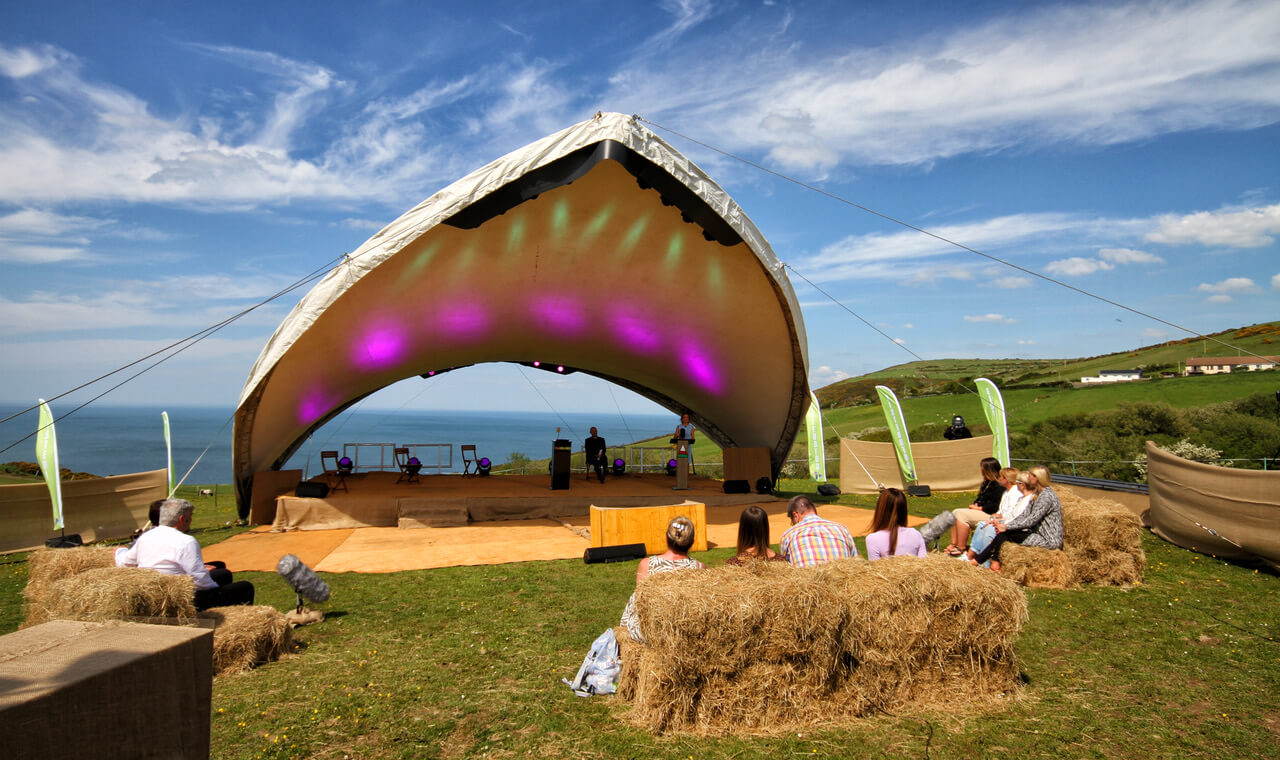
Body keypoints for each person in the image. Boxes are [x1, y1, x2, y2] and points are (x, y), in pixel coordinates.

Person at [115, 498, 254, 610]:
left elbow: (124, 562)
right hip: (180, 599)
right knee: (245, 587)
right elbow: (200, 580)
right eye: (191, 516)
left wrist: (119, 550)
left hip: (155, 593)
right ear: (182, 519)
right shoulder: (186, 541)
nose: (191, 520)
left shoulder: (146, 537)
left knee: (222, 573)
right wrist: (219, 590)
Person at [619, 516, 704, 643]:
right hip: (681, 632)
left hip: (648, 631)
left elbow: (640, 601)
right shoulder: (699, 567)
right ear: (692, 541)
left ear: (666, 537)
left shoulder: (647, 564)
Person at [966, 465, 1063, 573]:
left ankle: (983, 562)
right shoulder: (1037, 493)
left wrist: (1007, 526)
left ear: (1037, 478)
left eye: (1030, 475)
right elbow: (1024, 515)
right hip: (1038, 534)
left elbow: (1032, 519)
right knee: (1004, 534)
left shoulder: (1046, 496)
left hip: (1048, 540)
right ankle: (988, 563)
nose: (1028, 477)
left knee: (1005, 535)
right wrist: (1007, 526)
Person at [943, 457, 1005, 556]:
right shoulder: (987, 483)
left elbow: (994, 506)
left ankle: (961, 547)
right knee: (954, 512)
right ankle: (954, 544)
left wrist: (979, 508)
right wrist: (976, 504)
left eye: (982, 468)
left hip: (991, 514)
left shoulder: (999, 486)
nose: (981, 470)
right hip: (982, 511)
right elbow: (981, 498)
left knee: (961, 514)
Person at [779, 495, 858, 568]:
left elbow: (786, 568)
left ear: (796, 515)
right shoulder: (842, 529)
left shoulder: (788, 535)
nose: (793, 524)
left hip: (806, 581)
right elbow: (855, 561)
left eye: (792, 520)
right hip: (843, 580)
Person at [865, 488, 927, 560]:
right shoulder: (916, 534)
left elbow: (875, 569)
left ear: (881, 510)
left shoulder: (873, 539)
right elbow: (924, 565)